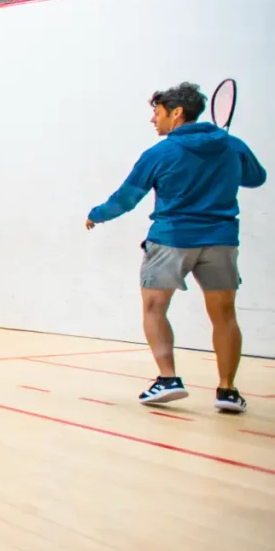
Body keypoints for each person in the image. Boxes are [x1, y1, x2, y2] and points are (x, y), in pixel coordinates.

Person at [85, 81, 266, 413]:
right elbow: (256, 177)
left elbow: (127, 198)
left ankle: (168, 380)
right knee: (224, 315)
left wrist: (96, 215)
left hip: (171, 240)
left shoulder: (160, 153)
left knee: (155, 308)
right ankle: (227, 391)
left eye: (157, 112)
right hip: (221, 241)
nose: (154, 120)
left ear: (177, 112)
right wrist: (228, 157)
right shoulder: (231, 144)